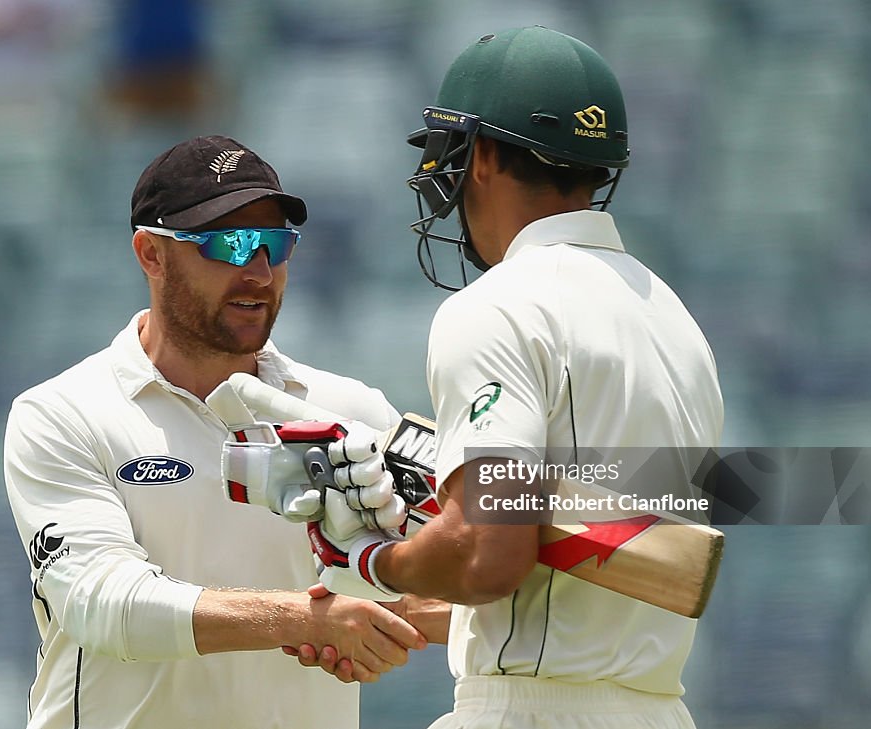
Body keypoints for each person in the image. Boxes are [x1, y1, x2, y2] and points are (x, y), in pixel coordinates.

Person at [302, 26, 724, 729]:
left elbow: (489, 548)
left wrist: (374, 559)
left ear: (487, 155)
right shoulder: (675, 321)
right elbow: (578, 561)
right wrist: (416, 602)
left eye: (452, 151)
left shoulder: (501, 304)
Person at [3, 135, 428, 729]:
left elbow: (443, 587)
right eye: (229, 243)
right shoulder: (61, 414)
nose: (258, 271)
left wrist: (398, 608)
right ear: (151, 254)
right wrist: (305, 621)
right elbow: (102, 604)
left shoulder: (351, 409)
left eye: (276, 245)